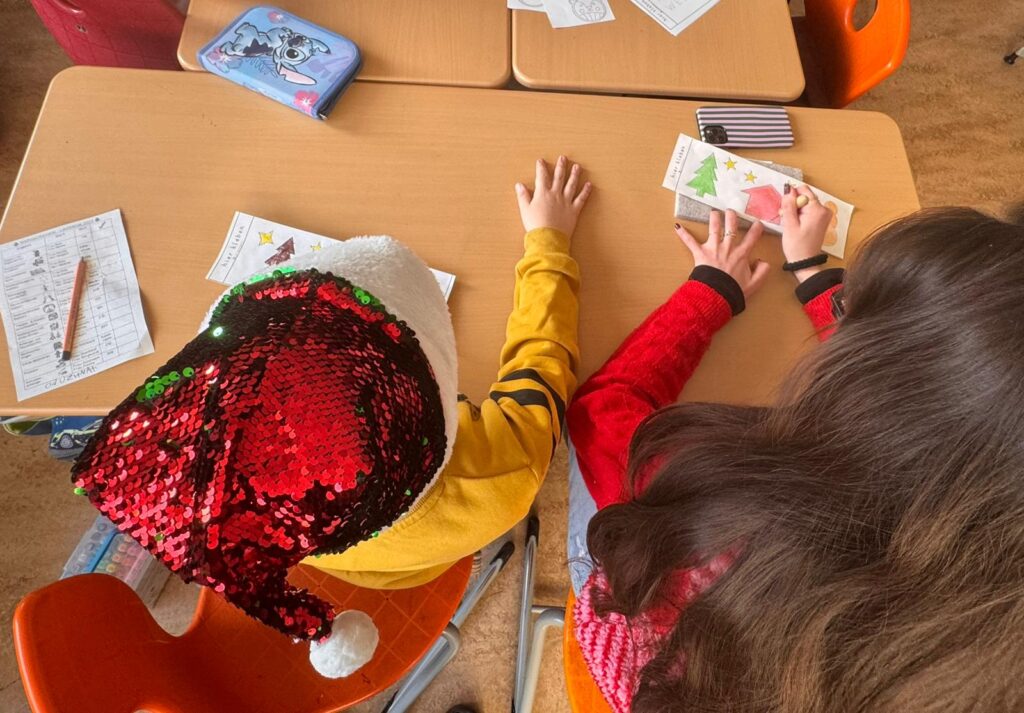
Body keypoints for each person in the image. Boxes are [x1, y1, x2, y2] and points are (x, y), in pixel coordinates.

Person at [71, 156, 591, 678]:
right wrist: (549, 244)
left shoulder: (248, 498)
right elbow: (542, 358)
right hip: (432, 550)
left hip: (367, 565)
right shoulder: (502, 477)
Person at [566, 189, 1024, 712]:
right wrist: (813, 274)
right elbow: (938, 419)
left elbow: (604, 407)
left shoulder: (695, 500)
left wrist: (710, 291)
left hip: (633, 628)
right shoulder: (977, 647)